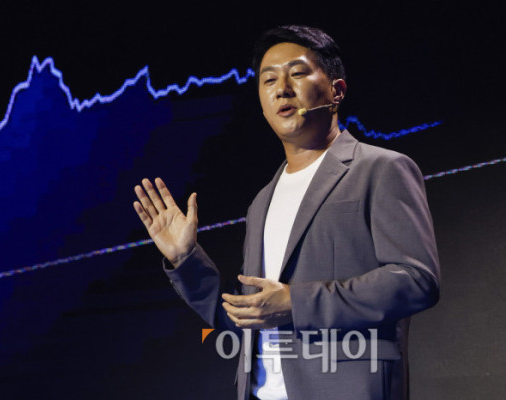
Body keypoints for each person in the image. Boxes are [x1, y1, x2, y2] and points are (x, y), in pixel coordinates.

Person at [133, 25, 440, 400]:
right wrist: (186, 260)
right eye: (268, 80)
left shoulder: (380, 169)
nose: (281, 89)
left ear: (337, 91)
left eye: (297, 73)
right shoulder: (262, 202)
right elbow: (246, 316)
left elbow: (416, 280)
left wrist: (297, 302)